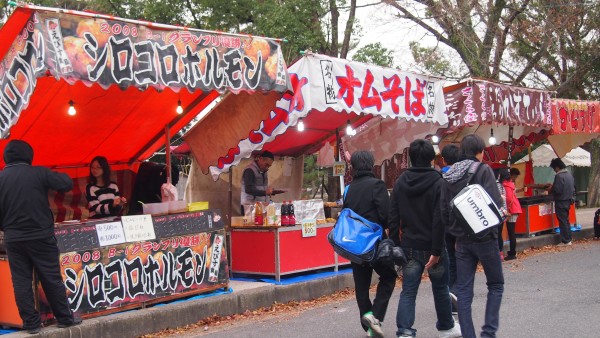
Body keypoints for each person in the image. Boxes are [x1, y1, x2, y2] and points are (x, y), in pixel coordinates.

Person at [0, 140, 81, 334]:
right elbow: (66, 183)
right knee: (50, 277)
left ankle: (31, 324)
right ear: (29, 155)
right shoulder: (38, 173)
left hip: (13, 238)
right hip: (41, 236)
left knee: (20, 280)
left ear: (6, 157)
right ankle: (64, 318)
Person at [389, 140, 461, 338]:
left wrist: (396, 246)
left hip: (410, 246)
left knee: (408, 292)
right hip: (433, 245)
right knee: (440, 288)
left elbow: (393, 217)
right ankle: (446, 327)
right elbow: (440, 218)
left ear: (411, 157)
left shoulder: (400, 182)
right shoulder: (439, 181)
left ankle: (404, 331)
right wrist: (437, 250)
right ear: (432, 159)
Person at [440, 135, 504, 338]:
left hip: (461, 242)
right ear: (480, 151)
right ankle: (488, 333)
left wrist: (456, 231)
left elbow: (443, 212)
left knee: (464, 292)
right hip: (486, 238)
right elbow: (495, 204)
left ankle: (469, 335)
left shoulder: (448, 177)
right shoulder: (483, 170)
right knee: (495, 284)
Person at [345, 150, 397, 338]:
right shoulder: (377, 185)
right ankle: (375, 317)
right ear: (371, 164)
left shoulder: (349, 188)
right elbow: (386, 215)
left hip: (355, 245)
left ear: (354, 167)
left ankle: (368, 322)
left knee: (362, 286)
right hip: (375, 243)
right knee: (389, 276)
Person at [440, 143, 460, 311]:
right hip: (461, 225)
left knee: (450, 260)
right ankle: (455, 293)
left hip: (444, 225)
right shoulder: (464, 176)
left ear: (443, 159)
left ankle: (450, 295)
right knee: (463, 260)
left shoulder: (440, 178)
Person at [546, 158, 576, 246]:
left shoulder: (559, 176)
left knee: (562, 221)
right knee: (566, 220)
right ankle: (568, 239)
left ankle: (565, 240)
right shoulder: (569, 175)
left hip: (561, 201)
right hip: (568, 200)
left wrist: (551, 189)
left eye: (554, 168)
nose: (554, 170)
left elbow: (558, 190)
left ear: (557, 167)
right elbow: (574, 188)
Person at [503, 168, 523, 260]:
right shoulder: (511, 185)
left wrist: (508, 210)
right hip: (515, 208)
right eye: (515, 176)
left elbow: (509, 199)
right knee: (512, 232)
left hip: (512, 210)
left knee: (511, 232)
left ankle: (512, 253)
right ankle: (512, 252)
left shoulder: (506, 185)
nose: (515, 178)